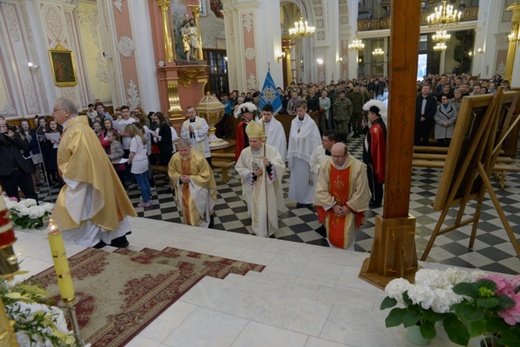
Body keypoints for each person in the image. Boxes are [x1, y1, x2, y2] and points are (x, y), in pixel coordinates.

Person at [51, 97, 136, 248]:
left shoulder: (78, 129)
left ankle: (97, 239)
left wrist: (66, 171)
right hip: (91, 175)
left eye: (55, 110)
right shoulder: (76, 128)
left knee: (90, 207)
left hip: (86, 178)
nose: (53, 113)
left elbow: (81, 158)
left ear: (66, 112)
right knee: (101, 204)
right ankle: (115, 237)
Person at [314, 143, 370, 250]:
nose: (335, 159)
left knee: (347, 240)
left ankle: (347, 264)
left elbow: (362, 192)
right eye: (333, 156)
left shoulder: (358, 167)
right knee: (332, 238)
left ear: (346, 155)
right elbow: (320, 189)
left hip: (349, 210)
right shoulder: (326, 165)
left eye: (339, 156)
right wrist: (333, 205)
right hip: (332, 209)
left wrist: (348, 207)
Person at [235, 121, 287, 237]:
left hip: (267, 187)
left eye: (255, 141)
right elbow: (239, 167)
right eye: (250, 141)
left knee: (267, 208)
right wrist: (251, 173)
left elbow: (280, 165)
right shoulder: (245, 152)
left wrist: (269, 165)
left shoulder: (271, 150)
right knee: (256, 209)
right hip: (253, 186)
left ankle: (269, 228)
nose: (252, 144)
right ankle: (257, 228)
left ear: (261, 140)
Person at [168, 138, 217, 227]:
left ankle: (196, 225)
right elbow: (171, 170)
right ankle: (189, 224)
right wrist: (179, 177)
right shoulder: (175, 157)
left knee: (191, 203)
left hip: (198, 186)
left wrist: (191, 178)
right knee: (185, 204)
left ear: (190, 147)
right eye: (180, 150)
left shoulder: (199, 158)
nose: (182, 153)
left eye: (185, 150)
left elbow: (206, 176)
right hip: (182, 185)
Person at [287, 100, 322, 208]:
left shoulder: (311, 124)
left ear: (306, 109)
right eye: (297, 111)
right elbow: (292, 137)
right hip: (296, 156)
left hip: (306, 156)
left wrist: (314, 156)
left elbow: (315, 140)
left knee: (307, 179)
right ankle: (299, 198)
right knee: (298, 178)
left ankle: (308, 199)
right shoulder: (294, 122)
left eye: (301, 111)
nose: (298, 113)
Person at [0, 119, 38, 201]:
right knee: (13, 198)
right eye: (1, 126)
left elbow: (26, 147)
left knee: (31, 194)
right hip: (7, 173)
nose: (4, 128)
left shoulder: (13, 134)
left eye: (5, 126)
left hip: (22, 169)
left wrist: (13, 137)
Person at [309, 130, 338, 237]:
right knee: (321, 204)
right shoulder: (318, 150)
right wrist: (321, 170)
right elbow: (312, 162)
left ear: (333, 142)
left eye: (325, 141)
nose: (322, 142)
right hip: (322, 182)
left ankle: (333, 225)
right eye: (322, 139)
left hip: (335, 184)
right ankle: (324, 225)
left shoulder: (340, 151)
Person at [362, 100, 387, 209]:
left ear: (374, 114)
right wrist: (365, 128)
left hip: (374, 160)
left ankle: (376, 200)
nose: (368, 115)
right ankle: (375, 198)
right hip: (373, 160)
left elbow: (375, 146)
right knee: (374, 180)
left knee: (374, 180)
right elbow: (369, 138)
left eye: (369, 113)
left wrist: (370, 160)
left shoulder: (376, 128)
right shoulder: (376, 125)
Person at [125, 124, 153, 208]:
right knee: (145, 181)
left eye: (127, 132)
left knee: (141, 183)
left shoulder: (134, 139)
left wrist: (129, 161)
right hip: (144, 161)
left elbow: (132, 153)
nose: (126, 133)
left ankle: (145, 201)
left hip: (137, 163)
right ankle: (148, 199)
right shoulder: (141, 137)